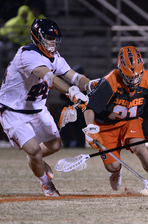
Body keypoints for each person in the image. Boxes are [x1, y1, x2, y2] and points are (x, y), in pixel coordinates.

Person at [0, 19, 97, 197]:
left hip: (37, 109)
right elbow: (49, 77)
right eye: (49, 37)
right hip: (13, 111)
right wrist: (72, 92)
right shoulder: (27, 54)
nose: (53, 41)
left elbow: (75, 77)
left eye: (55, 38)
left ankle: (35, 160)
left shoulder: (56, 57)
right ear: (38, 37)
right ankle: (46, 183)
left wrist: (91, 85)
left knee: (55, 145)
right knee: (34, 150)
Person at [82, 46, 148, 196]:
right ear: (120, 71)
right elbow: (90, 108)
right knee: (112, 166)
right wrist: (90, 127)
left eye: (136, 75)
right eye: (129, 76)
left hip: (131, 121)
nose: (134, 79)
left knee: (140, 148)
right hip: (106, 125)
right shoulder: (110, 82)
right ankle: (117, 171)